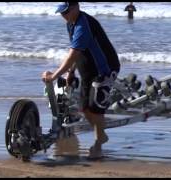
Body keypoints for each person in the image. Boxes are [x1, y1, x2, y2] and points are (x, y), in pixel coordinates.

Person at [42, 2, 120, 159]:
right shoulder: (71, 23)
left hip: (104, 70)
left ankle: (98, 145)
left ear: (76, 6)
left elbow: (72, 54)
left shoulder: (84, 26)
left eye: (66, 12)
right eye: (62, 13)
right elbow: (76, 51)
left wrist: (54, 76)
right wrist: (71, 72)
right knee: (84, 109)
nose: (64, 16)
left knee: (96, 108)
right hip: (88, 70)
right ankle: (102, 135)